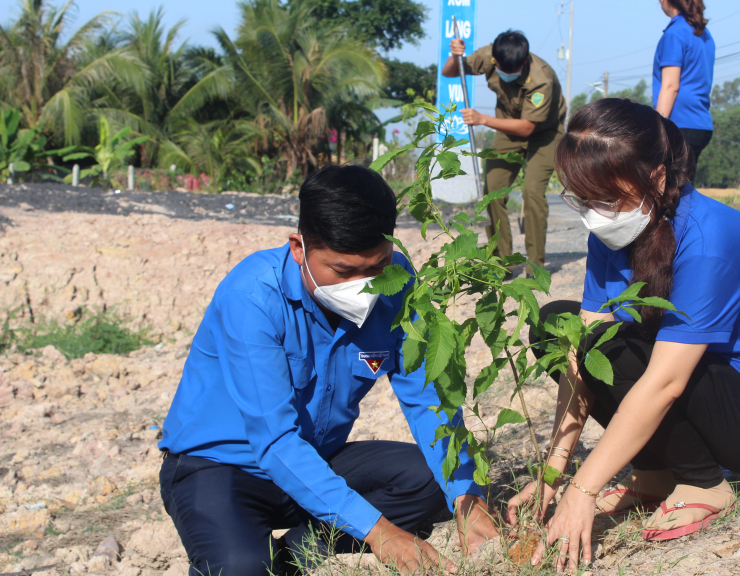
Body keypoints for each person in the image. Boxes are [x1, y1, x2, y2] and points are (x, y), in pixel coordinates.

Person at [506, 99, 740, 571]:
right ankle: (654, 475)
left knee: (620, 343)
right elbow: (580, 353)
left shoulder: (709, 240)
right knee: (557, 326)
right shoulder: (613, 233)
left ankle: (704, 485)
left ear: (656, 176)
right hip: (697, 383)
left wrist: (584, 489)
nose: (594, 215)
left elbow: (664, 382)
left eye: (605, 199)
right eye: (581, 199)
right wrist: (555, 472)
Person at [158, 164, 498, 576]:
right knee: (241, 567)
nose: (364, 286)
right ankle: (251, 553)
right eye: (343, 272)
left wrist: (468, 501)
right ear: (299, 248)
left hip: (316, 458)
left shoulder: (398, 281)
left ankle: (296, 552)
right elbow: (276, 441)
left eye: (375, 268)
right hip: (222, 466)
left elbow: (427, 397)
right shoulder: (252, 297)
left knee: (433, 482)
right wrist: (380, 533)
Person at [441, 30, 566, 275]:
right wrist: (454, 55)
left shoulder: (542, 78)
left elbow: (528, 127)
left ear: (525, 60)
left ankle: (535, 266)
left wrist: (483, 119)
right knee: (492, 191)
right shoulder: (489, 54)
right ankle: (502, 262)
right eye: (503, 70)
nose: (508, 76)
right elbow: (450, 71)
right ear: (495, 61)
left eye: (515, 71)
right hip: (507, 128)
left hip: (545, 133)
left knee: (532, 192)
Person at [654, 0, 715, 183]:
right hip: (699, 123)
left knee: (671, 194)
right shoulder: (703, 33)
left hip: (679, 123)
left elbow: (671, 86)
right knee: (683, 192)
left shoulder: (675, 34)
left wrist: (658, 128)